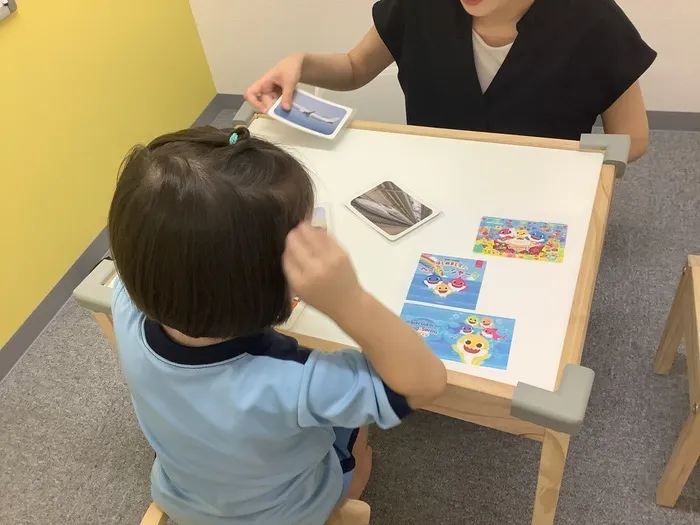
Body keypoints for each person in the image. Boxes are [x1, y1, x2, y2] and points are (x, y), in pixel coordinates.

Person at [108, 126, 447, 525]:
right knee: (358, 436)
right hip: (290, 513)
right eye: (301, 241)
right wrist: (347, 300)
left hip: (180, 493)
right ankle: (351, 484)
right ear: (267, 288)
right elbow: (425, 383)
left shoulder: (125, 305)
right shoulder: (299, 381)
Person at [245, 0, 656, 161]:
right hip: (436, 176)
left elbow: (633, 138)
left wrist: (566, 161)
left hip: (536, 186)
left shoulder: (593, 21)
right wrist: (301, 63)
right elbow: (355, 67)